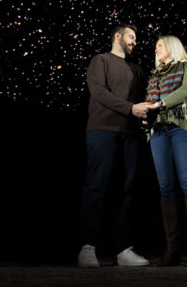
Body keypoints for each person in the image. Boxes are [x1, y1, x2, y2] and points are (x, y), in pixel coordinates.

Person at [77, 24, 151, 267]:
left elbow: (142, 101)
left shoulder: (138, 69)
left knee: (127, 190)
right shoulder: (100, 60)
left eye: (136, 38)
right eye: (131, 36)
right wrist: (130, 109)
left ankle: (123, 250)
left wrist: (143, 115)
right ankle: (87, 247)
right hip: (102, 131)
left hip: (130, 135)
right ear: (117, 37)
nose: (134, 41)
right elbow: (98, 92)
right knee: (97, 186)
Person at [144, 35, 187, 267]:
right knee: (165, 188)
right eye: (155, 47)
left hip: (183, 128)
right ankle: (172, 249)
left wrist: (159, 104)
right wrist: (146, 117)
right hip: (159, 131)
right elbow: (149, 102)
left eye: (159, 46)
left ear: (172, 47)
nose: (155, 50)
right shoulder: (155, 75)